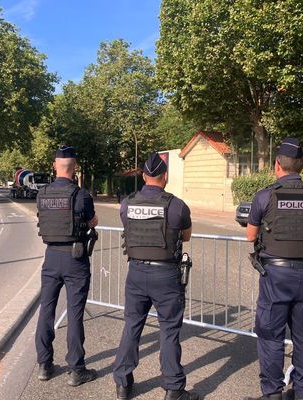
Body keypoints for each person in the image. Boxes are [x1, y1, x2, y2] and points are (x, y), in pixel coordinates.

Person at [244, 137, 303, 400]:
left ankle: (272, 393)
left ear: (277, 165)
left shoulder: (264, 196)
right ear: (302, 165)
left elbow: (250, 236)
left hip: (275, 276)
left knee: (271, 335)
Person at [113, 153, 199, 400]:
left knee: (132, 325)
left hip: (137, 273)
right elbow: (185, 236)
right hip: (166, 275)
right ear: (166, 177)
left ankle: (123, 383)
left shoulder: (127, 203)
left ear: (143, 176)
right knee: (169, 330)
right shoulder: (177, 205)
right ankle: (173, 388)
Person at [35, 145, 99, 386]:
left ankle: (44, 365)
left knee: (46, 310)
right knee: (75, 314)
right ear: (75, 168)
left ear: (54, 166)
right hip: (75, 258)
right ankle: (76, 369)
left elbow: (41, 219)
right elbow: (91, 220)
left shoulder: (42, 194)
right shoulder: (82, 196)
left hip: (51, 258)